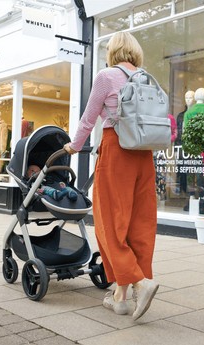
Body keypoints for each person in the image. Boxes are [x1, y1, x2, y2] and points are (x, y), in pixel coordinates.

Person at [63, 32, 159, 320]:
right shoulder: (146, 77)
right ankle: (121, 296)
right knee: (140, 224)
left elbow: (89, 117)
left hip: (117, 149)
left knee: (109, 222)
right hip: (144, 152)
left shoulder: (106, 76)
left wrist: (74, 146)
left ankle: (140, 283)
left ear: (113, 51)